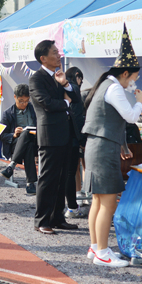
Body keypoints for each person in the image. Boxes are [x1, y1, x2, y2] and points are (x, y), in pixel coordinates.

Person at [82, 24, 142, 267]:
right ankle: (103, 252)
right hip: (102, 148)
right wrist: (138, 101)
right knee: (107, 201)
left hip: (98, 146)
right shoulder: (115, 88)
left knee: (98, 200)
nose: (135, 82)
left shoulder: (106, 85)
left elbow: (110, 120)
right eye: (135, 77)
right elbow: (130, 117)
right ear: (126, 73)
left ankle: (96, 248)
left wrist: (122, 144)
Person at [28, 40, 79, 235]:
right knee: (48, 178)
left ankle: (58, 217)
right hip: (50, 135)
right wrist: (65, 103)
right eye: (55, 52)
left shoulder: (59, 76)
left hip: (66, 134)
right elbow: (46, 103)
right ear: (43, 58)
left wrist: (65, 83)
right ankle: (41, 220)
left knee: (62, 178)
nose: (59, 55)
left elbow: (75, 98)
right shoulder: (37, 79)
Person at [0, 83, 38, 195]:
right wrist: (14, 135)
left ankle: (12, 165)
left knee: (28, 136)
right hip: (17, 144)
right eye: (21, 101)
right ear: (14, 96)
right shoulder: (8, 113)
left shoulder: (34, 109)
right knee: (27, 140)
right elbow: (2, 136)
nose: (24, 104)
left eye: (26, 101)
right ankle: (30, 183)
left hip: (36, 141)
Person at [64, 66, 87, 219]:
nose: (81, 83)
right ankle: (72, 207)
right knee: (71, 172)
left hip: (59, 136)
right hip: (71, 137)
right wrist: (82, 139)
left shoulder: (60, 88)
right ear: (77, 76)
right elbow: (78, 117)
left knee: (65, 174)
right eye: (81, 80)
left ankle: (66, 207)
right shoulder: (75, 90)